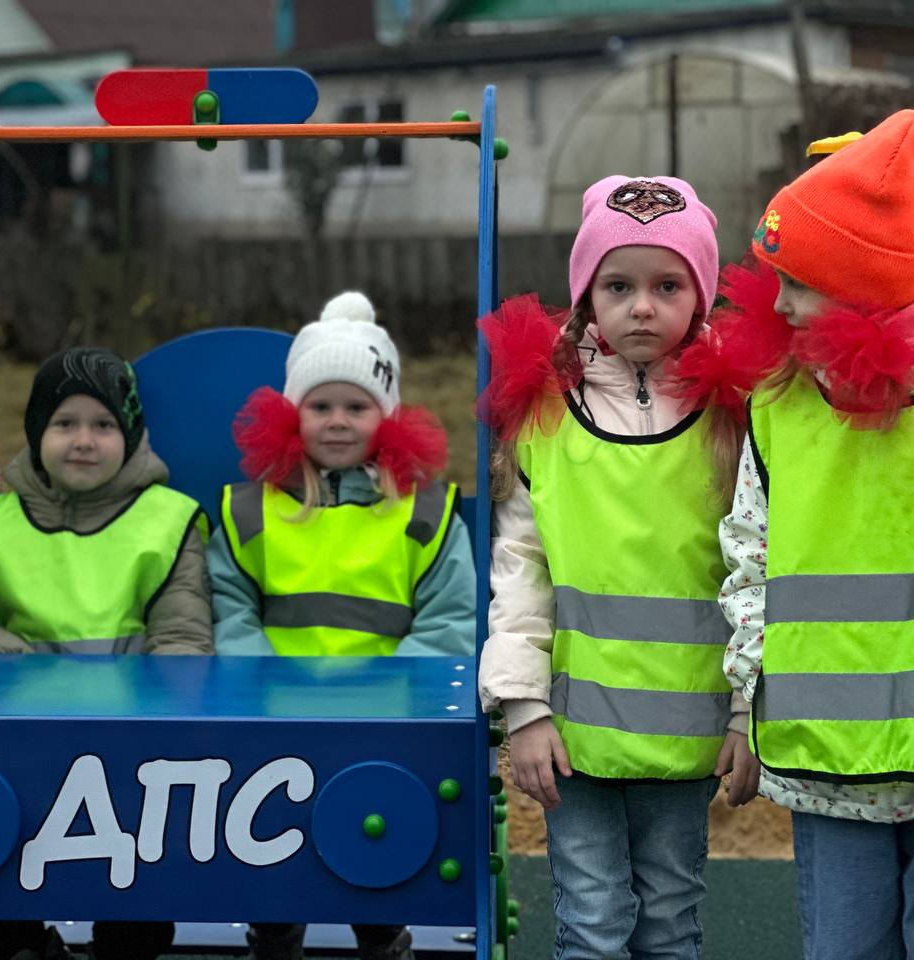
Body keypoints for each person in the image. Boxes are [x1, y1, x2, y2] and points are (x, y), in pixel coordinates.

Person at [477, 175, 751, 959]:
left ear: (699, 297)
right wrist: (523, 709)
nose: (641, 306)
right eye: (618, 284)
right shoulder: (546, 418)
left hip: (689, 734)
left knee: (670, 924)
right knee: (591, 927)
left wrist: (743, 716)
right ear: (585, 296)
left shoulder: (735, 418)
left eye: (668, 286)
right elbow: (520, 570)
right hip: (573, 735)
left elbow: (753, 576)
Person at [210, 291, 475, 960]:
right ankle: (273, 939)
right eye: (319, 405)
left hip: (384, 722)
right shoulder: (249, 511)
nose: (336, 421)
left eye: (356, 406)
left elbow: (449, 617)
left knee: (374, 848)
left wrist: (394, 697)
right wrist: (253, 679)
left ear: (384, 416)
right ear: (291, 414)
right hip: (273, 718)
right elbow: (226, 600)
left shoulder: (423, 512)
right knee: (271, 851)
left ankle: (385, 941)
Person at [718, 109, 914, 960]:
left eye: (800, 277)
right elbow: (749, 565)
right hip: (830, 765)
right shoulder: (779, 409)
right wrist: (742, 700)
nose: (779, 299)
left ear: (868, 283)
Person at [0, 346, 212, 960]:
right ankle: (23, 945)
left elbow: (184, 640)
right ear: (38, 432)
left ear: (132, 434)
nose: (83, 440)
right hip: (17, 741)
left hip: (135, 747)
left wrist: (158, 717)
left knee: (138, 892)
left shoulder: (167, 521)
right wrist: (2, 653)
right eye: (64, 424)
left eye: (103, 425)